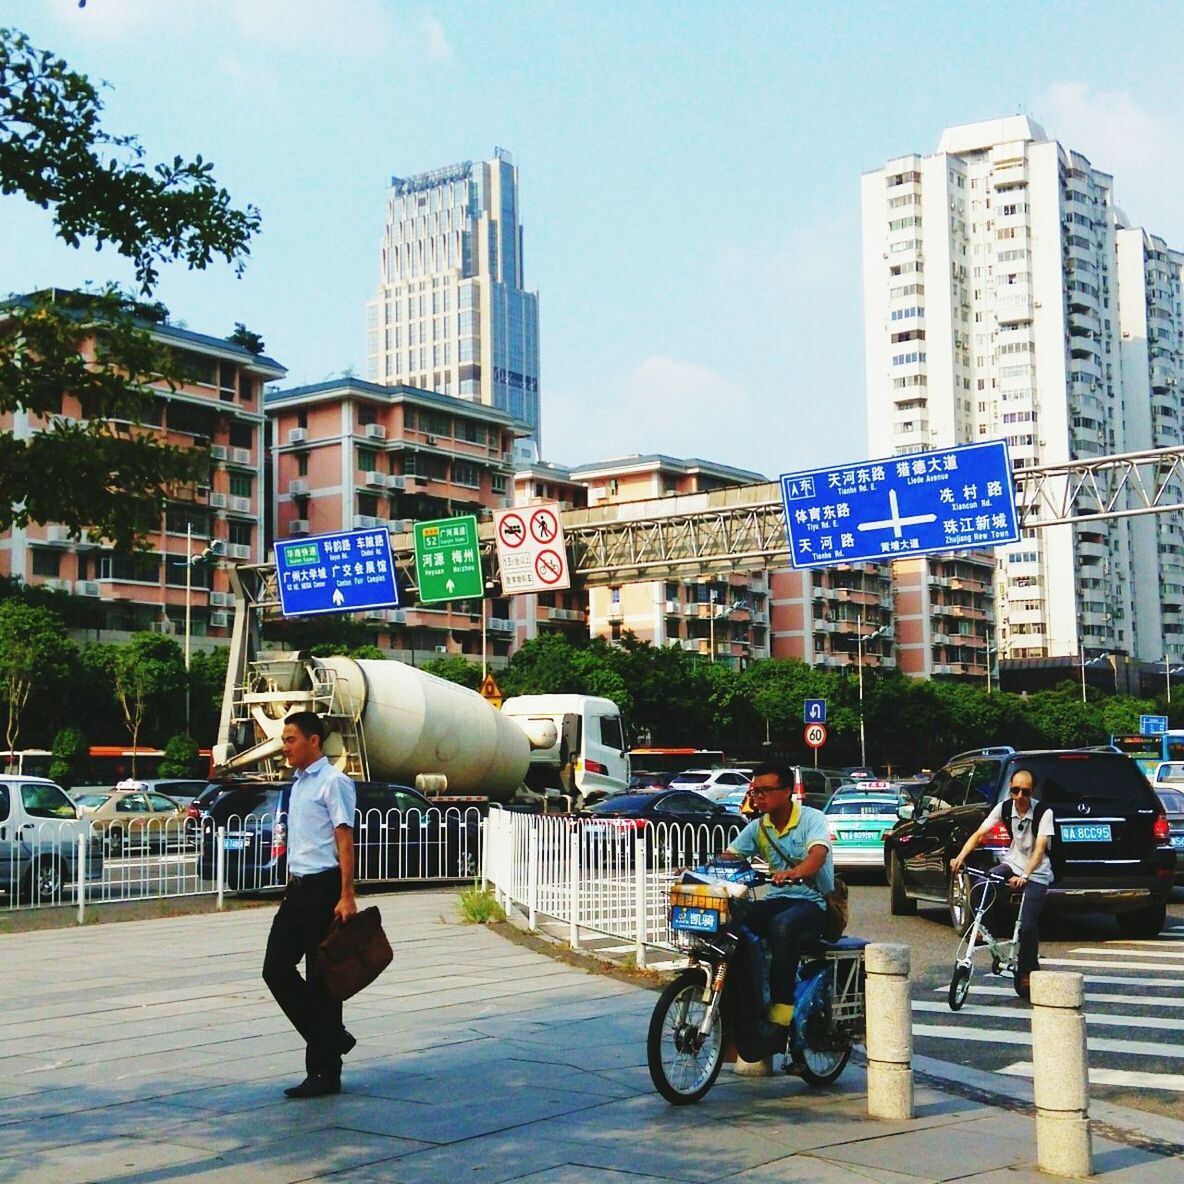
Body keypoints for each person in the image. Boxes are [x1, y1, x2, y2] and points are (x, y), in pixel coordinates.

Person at [262, 711, 358, 1098]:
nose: (284, 747)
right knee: (275, 969)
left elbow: (344, 839)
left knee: (322, 981)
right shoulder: (297, 784)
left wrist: (346, 894)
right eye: (284, 740)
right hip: (298, 888)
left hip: (324, 889)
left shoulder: (334, 782)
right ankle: (331, 1037)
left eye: (290, 739)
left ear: (313, 741)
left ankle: (324, 1073)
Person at [721, 761, 833, 1032]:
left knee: (782, 926)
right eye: (754, 791)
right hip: (777, 900)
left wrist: (795, 872)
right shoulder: (758, 827)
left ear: (786, 792)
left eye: (764, 791)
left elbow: (817, 855)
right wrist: (699, 871)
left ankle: (782, 1010)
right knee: (733, 918)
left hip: (813, 903)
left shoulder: (812, 818)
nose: (757, 798)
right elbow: (730, 857)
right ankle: (748, 994)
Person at [950, 768, 1053, 996]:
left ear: (1032, 792)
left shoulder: (1044, 812)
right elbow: (979, 834)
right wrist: (960, 857)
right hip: (1012, 864)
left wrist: (1025, 876)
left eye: (1024, 792)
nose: (1019, 797)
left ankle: (1027, 970)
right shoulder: (1005, 807)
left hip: (1037, 873)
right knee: (979, 886)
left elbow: (1040, 849)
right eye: (1015, 790)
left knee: (1027, 925)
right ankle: (988, 934)